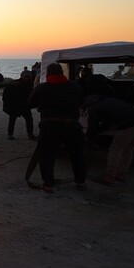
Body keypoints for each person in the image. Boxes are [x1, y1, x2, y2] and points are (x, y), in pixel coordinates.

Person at [27, 63, 87, 192]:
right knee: (77, 154)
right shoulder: (74, 86)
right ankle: (80, 181)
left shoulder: (42, 88)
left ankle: (48, 183)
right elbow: (82, 103)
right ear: (62, 73)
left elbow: (30, 104)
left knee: (47, 155)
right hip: (72, 125)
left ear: (48, 74)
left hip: (50, 125)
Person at [84, 95, 134, 185]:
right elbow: (108, 122)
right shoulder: (110, 101)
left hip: (131, 126)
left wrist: (89, 136)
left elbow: (93, 125)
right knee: (128, 150)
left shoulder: (93, 108)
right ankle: (121, 175)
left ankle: (108, 177)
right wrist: (99, 130)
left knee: (115, 150)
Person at [2, 71, 36, 140]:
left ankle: (30, 134)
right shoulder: (13, 84)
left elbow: (33, 95)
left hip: (25, 105)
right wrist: (6, 104)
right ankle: (10, 134)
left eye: (28, 76)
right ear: (22, 76)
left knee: (29, 120)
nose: (27, 78)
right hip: (14, 105)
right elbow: (6, 95)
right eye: (25, 76)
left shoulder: (31, 84)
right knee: (12, 120)